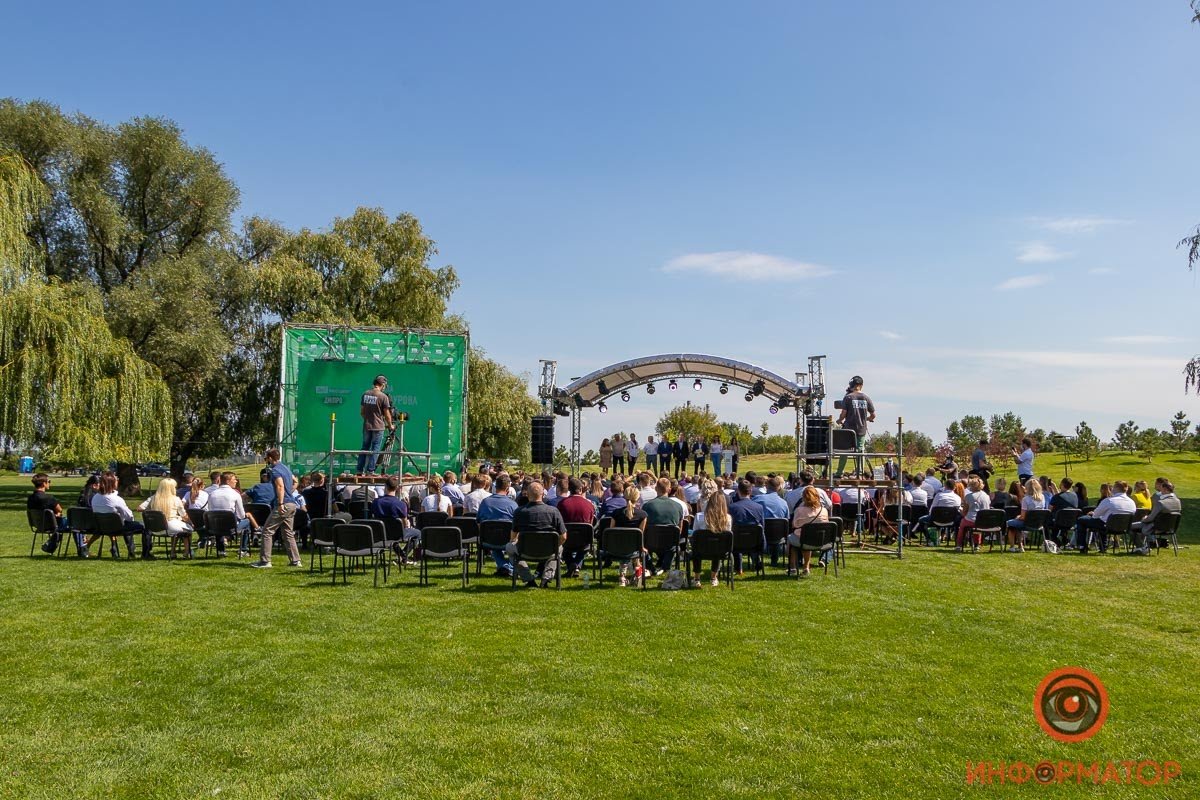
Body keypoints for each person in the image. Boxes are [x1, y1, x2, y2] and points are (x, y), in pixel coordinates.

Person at [507, 482, 567, 588]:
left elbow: (512, 537)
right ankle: (546, 577)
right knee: (559, 548)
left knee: (509, 547)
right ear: (543, 494)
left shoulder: (519, 512)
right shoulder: (554, 511)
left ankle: (528, 578)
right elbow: (564, 537)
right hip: (548, 550)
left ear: (527, 494)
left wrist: (516, 542)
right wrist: (554, 546)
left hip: (525, 551)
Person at [250, 448, 302, 569]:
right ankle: (296, 561)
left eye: (265, 458)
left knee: (267, 531)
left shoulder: (275, 471)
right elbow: (296, 481)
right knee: (288, 533)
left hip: (283, 504)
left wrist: (280, 503)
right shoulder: (285, 468)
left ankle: (265, 561)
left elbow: (280, 486)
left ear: (270, 458)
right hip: (292, 504)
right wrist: (290, 492)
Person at [89, 471, 150, 559]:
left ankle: (130, 551)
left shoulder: (95, 498)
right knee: (144, 526)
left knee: (126, 523)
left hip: (102, 527)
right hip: (118, 528)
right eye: (116, 480)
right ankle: (145, 554)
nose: (118, 481)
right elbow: (129, 516)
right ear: (112, 483)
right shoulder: (116, 499)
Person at [29, 473, 87, 557]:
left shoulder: (30, 498)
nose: (49, 483)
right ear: (44, 483)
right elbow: (59, 509)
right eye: (49, 481)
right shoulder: (48, 498)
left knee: (67, 525)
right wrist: (57, 513)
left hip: (38, 524)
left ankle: (50, 545)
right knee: (76, 523)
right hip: (52, 525)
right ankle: (82, 550)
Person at [1074, 480, 1136, 555]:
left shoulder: (1109, 501)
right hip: (1124, 527)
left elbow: (1095, 515)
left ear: (1116, 489)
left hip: (1107, 526)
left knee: (1081, 520)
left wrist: (1093, 513)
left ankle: (1082, 546)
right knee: (1102, 520)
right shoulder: (1132, 502)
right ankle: (1103, 547)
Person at [137, 477, 195, 557]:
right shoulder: (176, 499)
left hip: (155, 528)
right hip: (171, 526)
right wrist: (191, 523)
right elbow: (184, 516)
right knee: (187, 529)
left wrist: (151, 511)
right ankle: (185, 551)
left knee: (176, 528)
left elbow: (139, 508)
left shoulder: (153, 498)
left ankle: (173, 552)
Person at [477, 474, 519, 576]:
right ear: (508, 488)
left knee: (495, 541)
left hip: (488, 539)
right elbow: (517, 526)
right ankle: (508, 567)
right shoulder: (513, 505)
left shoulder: (485, 502)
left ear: (495, 487)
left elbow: (478, 522)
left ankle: (504, 567)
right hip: (508, 540)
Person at [835, 376, 875, 477]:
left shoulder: (848, 397)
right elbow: (873, 415)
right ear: (861, 385)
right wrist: (867, 419)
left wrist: (839, 420)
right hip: (861, 429)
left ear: (851, 386)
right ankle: (860, 472)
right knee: (860, 450)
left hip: (848, 430)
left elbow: (843, 413)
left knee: (844, 450)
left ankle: (839, 472)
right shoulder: (866, 398)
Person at [643, 477, 684, 575]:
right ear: (669, 489)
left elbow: (643, 528)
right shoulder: (678, 506)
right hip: (670, 543)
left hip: (650, 542)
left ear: (656, 488)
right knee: (673, 543)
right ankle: (665, 566)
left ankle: (652, 568)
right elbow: (679, 529)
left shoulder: (647, 506)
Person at [556, 477, 595, 578]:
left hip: (566, 539)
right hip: (584, 540)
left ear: (569, 489)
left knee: (565, 549)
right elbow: (590, 525)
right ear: (581, 489)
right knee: (582, 549)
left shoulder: (562, 504)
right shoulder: (589, 505)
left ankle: (573, 565)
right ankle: (576, 566)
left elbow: (558, 524)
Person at [692, 490, 732, 588]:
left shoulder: (699, 516)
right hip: (720, 551)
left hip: (701, 550)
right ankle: (713, 577)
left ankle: (697, 578)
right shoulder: (728, 518)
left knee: (698, 547)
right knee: (717, 545)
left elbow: (694, 535)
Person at [787, 486, 830, 577]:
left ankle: (793, 567)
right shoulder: (824, 510)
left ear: (803, 498)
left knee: (792, 540)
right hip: (820, 540)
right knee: (805, 538)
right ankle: (806, 566)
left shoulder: (799, 510)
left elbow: (794, 525)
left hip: (804, 539)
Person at [357, 375, 396, 475]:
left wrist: (368, 419)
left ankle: (359, 470)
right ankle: (370, 470)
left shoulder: (365, 394)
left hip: (367, 426)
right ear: (382, 385)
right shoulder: (383, 397)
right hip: (378, 427)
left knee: (364, 447)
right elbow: (387, 414)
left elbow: (362, 412)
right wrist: (390, 425)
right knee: (375, 448)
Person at [1131, 479, 1181, 554]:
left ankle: (1141, 547)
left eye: (1161, 489)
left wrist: (1144, 519)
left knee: (1130, 526)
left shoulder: (1161, 503)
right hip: (1171, 528)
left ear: (1165, 489)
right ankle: (1143, 546)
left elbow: (1150, 518)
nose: (1160, 491)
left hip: (1156, 527)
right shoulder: (1178, 501)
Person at [728, 479, 766, 575]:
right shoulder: (759, 507)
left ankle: (738, 568)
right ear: (751, 491)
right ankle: (756, 562)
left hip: (736, 543)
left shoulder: (732, 507)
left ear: (738, 491)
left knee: (736, 534)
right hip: (755, 542)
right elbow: (762, 526)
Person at [1005, 478, 1046, 553]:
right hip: (1039, 524)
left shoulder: (1026, 499)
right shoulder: (1042, 497)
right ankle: (1020, 546)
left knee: (1010, 523)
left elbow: (1023, 517)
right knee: (1016, 524)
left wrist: (1018, 517)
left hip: (1027, 523)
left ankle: (1013, 546)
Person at [955, 477, 991, 551]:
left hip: (972, 519)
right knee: (976, 525)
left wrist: (960, 510)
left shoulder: (969, 496)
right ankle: (977, 544)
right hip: (984, 520)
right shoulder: (986, 496)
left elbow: (965, 511)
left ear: (971, 486)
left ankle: (959, 544)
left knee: (962, 524)